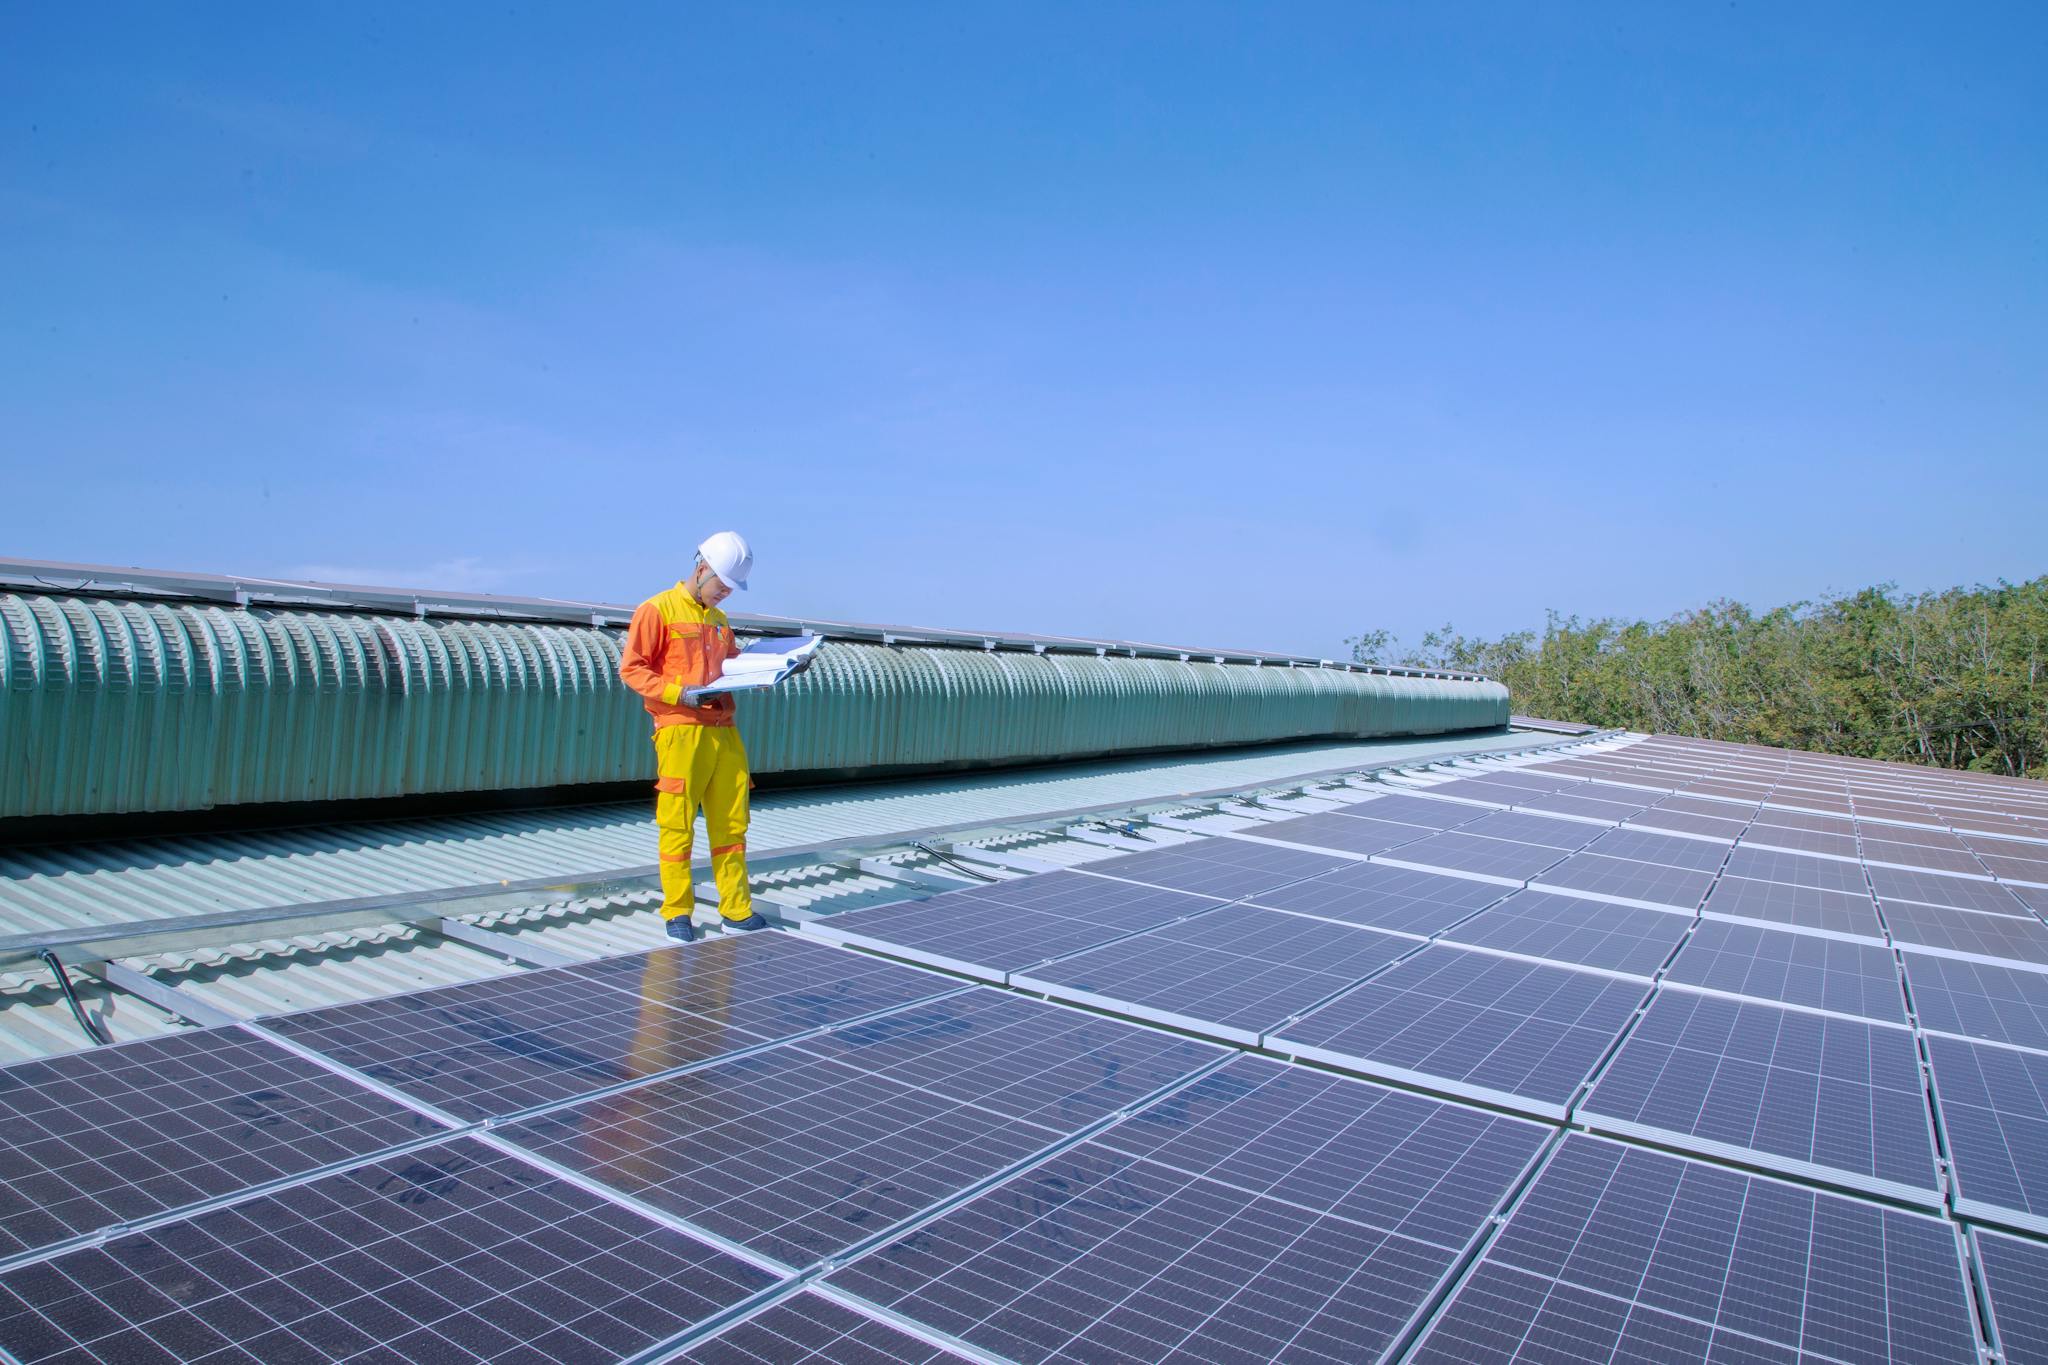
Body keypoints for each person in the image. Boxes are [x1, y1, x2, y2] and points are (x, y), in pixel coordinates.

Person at [618, 531, 767, 942]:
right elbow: (632, 669)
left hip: (724, 731)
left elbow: (732, 669)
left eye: (731, 590)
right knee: (678, 824)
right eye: (722, 586)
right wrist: (676, 693)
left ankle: (736, 910)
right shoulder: (656, 610)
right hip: (681, 730)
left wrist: (769, 672)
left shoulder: (720, 623)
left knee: (732, 824)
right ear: (702, 569)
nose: (725, 595)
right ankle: (678, 911)